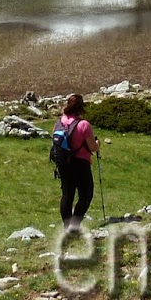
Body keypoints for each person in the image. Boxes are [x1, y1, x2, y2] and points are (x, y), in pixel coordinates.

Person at [54, 94, 100, 229]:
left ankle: (66, 227)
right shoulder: (84, 125)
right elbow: (93, 147)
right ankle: (75, 225)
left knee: (67, 195)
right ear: (81, 107)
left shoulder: (59, 122)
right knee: (86, 194)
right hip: (80, 163)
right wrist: (98, 143)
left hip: (63, 163)